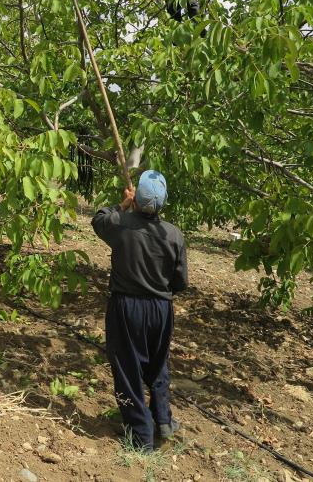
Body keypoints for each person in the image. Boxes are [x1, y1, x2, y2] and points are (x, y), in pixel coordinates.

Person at [92, 170, 188, 451]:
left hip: (127, 307)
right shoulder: (173, 234)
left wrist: (123, 205)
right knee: (158, 363)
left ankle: (141, 436)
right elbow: (180, 281)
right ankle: (163, 421)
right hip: (161, 308)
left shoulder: (121, 224)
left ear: (135, 199)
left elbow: (98, 219)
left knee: (127, 368)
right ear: (163, 202)